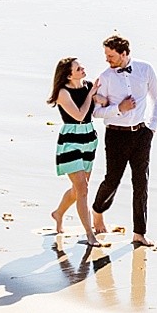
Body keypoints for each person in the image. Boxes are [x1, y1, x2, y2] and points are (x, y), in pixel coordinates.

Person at [91, 35, 157, 247]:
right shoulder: (105, 77)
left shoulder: (145, 69)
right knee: (112, 180)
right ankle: (97, 210)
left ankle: (139, 233)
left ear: (124, 53)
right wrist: (119, 109)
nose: (107, 60)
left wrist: (152, 127)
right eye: (106, 55)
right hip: (115, 135)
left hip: (141, 134)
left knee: (141, 183)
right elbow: (96, 112)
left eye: (111, 56)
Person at [47, 57, 108, 247]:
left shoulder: (88, 85)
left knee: (78, 189)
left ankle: (58, 213)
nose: (83, 69)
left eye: (82, 66)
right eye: (78, 68)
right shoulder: (62, 93)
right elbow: (80, 116)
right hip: (71, 141)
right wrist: (91, 95)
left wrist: (101, 97)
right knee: (83, 189)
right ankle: (89, 234)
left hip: (89, 139)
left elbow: (102, 102)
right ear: (68, 74)